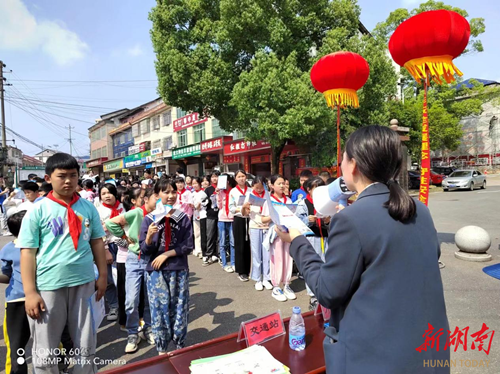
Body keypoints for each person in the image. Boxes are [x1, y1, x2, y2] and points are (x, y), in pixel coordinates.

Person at [276, 125, 449, 374]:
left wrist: (296, 241)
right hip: (425, 349)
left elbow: (327, 290)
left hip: (375, 357)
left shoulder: (351, 219)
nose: (341, 165)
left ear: (353, 165)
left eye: (343, 159)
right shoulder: (419, 209)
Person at [18, 152, 107, 374]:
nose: (68, 181)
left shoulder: (87, 207)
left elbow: (97, 243)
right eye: (62, 176)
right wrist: (30, 292)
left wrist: (103, 276)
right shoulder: (38, 210)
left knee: (86, 344)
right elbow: (28, 252)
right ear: (48, 179)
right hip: (49, 286)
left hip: (84, 282)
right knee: (45, 350)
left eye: (73, 175)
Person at [140, 178, 193, 353]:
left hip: (178, 269)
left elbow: (188, 244)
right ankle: (161, 349)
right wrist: (148, 238)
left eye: (173, 192)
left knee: (180, 308)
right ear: (156, 195)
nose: (170, 196)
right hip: (156, 272)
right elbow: (144, 250)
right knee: (159, 309)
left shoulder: (182, 217)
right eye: (165, 192)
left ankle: (179, 346)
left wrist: (167, 254)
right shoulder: (149, 219)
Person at [106, 189, 156, 342]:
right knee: (131, 300)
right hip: (134, 258)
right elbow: (110, 223)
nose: (160, 201)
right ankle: (132, 333)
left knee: (149, 298)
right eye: (157, 198)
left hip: (153, 259)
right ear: (146, 199)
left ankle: (148, 328)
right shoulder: (136, 213)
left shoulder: (159, 214)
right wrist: (126, 238)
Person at [1, 211, 29, 374]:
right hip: (16, 301)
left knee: (50, 342)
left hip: (46, 298)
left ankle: (58, 367)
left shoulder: (47, 245)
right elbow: (6, 275)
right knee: (15, 345)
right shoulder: (8, 249)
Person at [295, 176, 330, 309]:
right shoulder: (303, 203)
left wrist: (328, 221)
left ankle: (325, 295)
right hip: (312, 238)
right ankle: (313, 297)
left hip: (326, 238)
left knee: (326, 265)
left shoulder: (327, 203)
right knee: (313, 267)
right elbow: (297, 223)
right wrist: (308, 220)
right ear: (309, 189)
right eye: (316, 188)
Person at [96, 183, 124, 324]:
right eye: (103, 193)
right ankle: (113, 306)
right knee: (108, 280)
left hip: (122, 245)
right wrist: (106, 250)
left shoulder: (122, 207)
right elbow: (98, 232)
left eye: (110, 192)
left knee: (123, 277)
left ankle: (126, 305)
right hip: (106, 246)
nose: (107, 196)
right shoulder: (99, 211)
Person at [268, 174, 296, 301]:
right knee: (277, 258)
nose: (282, 186)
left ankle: (287, 284)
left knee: (288, 257)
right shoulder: (269, 200)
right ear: (272, 185)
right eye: (278, 183)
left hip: (288, 232)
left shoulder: (289, 201)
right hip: (276, 233)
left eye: (283, 183)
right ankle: (276, 286)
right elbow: (263, 219)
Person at [248, 176, 273, 291]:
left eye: (261, 187)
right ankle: (257, 278)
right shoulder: (249, 196)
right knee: (256, 253)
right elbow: (244, 213)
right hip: (254, 226)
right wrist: (244, 207)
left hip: (267, 226)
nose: (259, 190)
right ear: (253, 186)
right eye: (256, 187)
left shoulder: (268, 196)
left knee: (266, 253)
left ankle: (266, 278)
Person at [229, 170, 252, 282]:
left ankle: (248, 269)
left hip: (250, 219)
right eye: (239, 176)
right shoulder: (233, 192)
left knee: (248, 245)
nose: (241, 178)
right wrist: (241, 208)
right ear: (235, 179)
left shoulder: (250, 190)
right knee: (240, 245)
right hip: (239, 219)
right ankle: (241, 271)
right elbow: (231, 208)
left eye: (243, 176)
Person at [216, 174, 236, 272]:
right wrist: (218, 194)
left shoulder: (233, 191)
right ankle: (224, 264)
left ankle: (233, 262)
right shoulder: (220, 192)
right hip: (222, 218)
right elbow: (219, 206)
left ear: (228, 181)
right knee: (222, 242)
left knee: (233, 242)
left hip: (232, 219)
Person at [201, 172, 220, 266]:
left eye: (216, 176)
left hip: (221, 215)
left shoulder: (223, 188)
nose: (215, 178)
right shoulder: (208, 190)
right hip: (210, 214)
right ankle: (209, 254)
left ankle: (218, 254)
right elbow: (203, 202)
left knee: (220, 236)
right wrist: (209, 200)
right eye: (213, 177)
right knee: (210, 235)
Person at [191, 177, 207, 259]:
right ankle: (198, 249)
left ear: (200, 183)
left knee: (203, 233)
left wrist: (199, 206)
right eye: (193, 183)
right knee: (196, 233)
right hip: (195, 215)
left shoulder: (203, 193)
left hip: (203, 214)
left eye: (196, 183)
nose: (194, 185)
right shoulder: (192, 193)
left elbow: (205, 203)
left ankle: (203, 250)